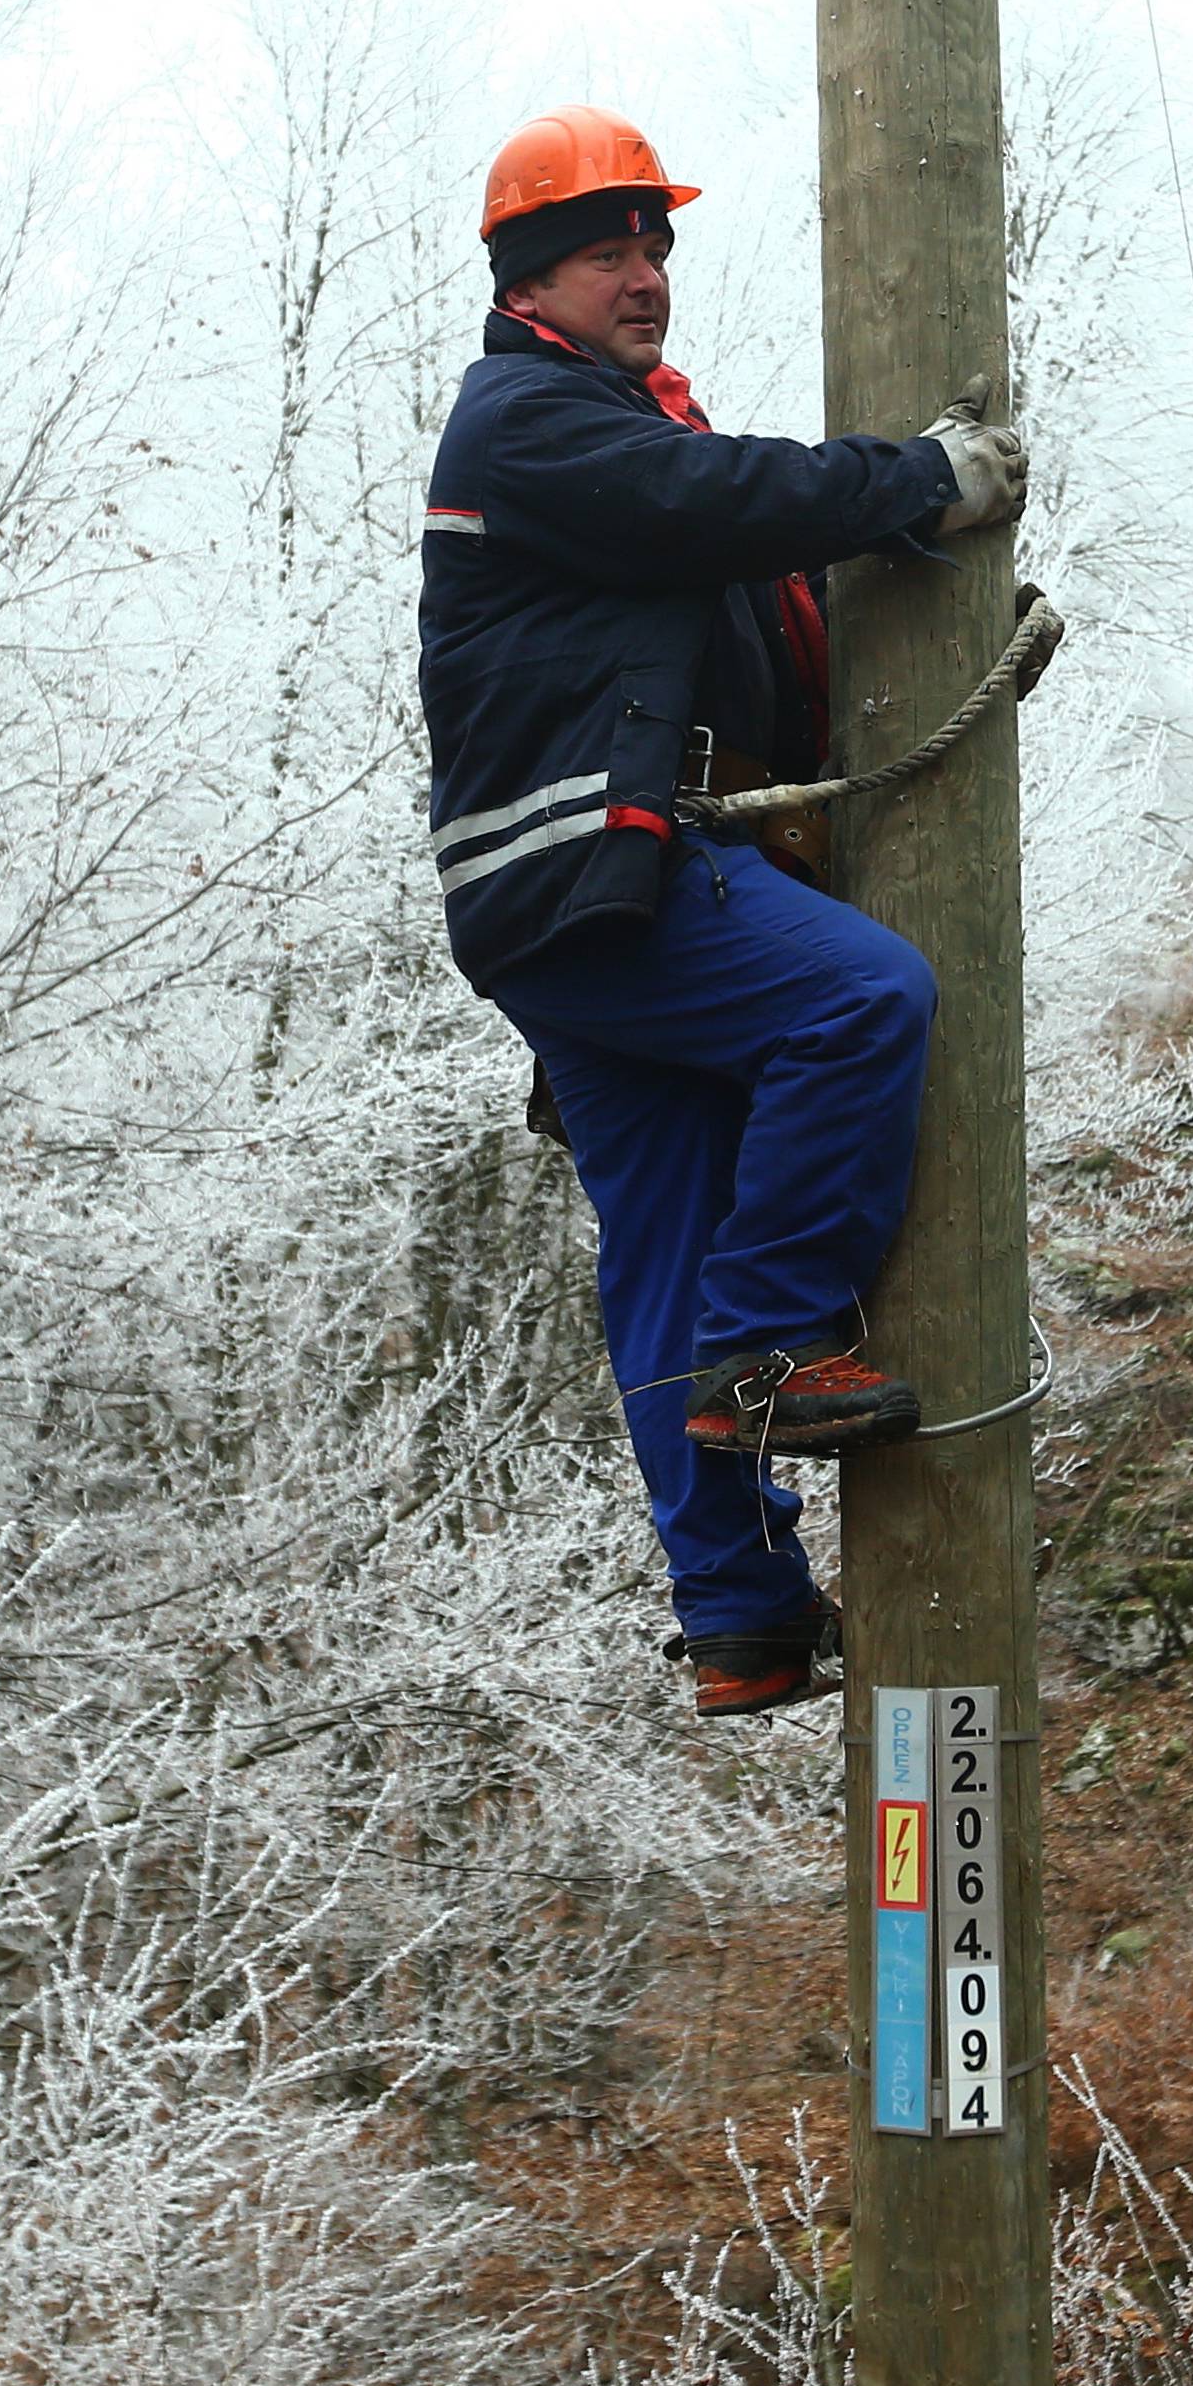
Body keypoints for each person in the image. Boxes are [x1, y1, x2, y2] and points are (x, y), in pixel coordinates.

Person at [418, 105, 1026, 1716]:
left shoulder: (613, 446)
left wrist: (943, 619)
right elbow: (718, 505)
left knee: (666, 1247)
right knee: (861, 999)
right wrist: (917, 486)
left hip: (562, 902)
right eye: (610, 250)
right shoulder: (531, 420)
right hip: (596, 874)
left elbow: (757, 608)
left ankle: (741, 1610)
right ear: (531, 280)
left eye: (657, 246)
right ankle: (769, 1349)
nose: (647, 274)